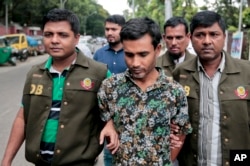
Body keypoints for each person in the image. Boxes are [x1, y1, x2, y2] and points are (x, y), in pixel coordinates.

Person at [1, 8, 119, 166]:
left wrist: (110, 124)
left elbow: (116, 110)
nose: (54, 40)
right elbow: (23, 117)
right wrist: (6, 160)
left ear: (77, 38)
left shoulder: (99, 73)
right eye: (48, 34)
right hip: (41, 162)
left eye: (62, 35)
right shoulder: (34, 74)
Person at [97, 17, 192, 165]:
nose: (135, 63)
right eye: (129, 55)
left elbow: (180, 132)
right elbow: (103, 118)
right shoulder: (109, 87)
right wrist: (108, 124)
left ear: (158, 50)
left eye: (143, 55)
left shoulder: (174, 92)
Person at [172, 10, 250, 166]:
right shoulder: (180, 73)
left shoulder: (246, 72)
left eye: (214, 34)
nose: (207, 41)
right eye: (200, 35)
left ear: (224, 37)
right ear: (190, 38)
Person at [94, 14, 127, 166]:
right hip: (104, 115)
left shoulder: (130, 52)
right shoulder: (99, 54)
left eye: (114, 29)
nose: (109, 33)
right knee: (109, 154)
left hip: (128, 114)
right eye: (107, 29)